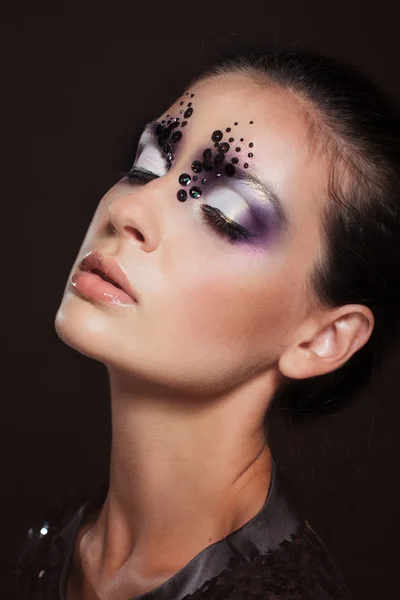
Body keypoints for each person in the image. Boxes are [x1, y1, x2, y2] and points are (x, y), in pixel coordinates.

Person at [13, 46, 400, 600]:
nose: (130, 211)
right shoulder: (54, 540)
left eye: (224, 215)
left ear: (322, 339)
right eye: (146, 166)